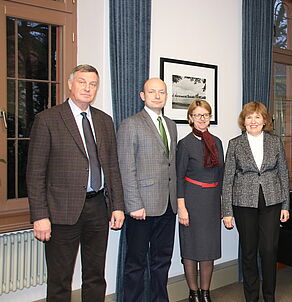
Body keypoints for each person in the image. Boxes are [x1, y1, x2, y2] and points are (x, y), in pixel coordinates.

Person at [26, 64, 125, 301]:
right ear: (70, 84)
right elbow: (35, 172)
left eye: (92, 84)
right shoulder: (48, 119)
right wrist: (40, 215)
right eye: (82, 82)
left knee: (95, 275)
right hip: (61, 210)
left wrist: (117, 205)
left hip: (97, 208)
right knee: (60, 279)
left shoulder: (104, 120)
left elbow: (112, 166)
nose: (87, 88)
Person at [117, 78, 178, 301]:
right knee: (136, 263)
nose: (157, 95)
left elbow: (170, 164)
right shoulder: (130, 124)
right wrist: (134, 205)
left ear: (166, 96)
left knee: (162, 261)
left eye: (161, 92)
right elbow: (126, 167)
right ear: (142, 96)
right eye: (151, 92)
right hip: (141, 208)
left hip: (168, 206)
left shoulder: (170, 125)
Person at [222, 102, 290, 302]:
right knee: (249, 250)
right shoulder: (235, 144)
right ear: (244, 121)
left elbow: (283, 174)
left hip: (272, 200)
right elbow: (228, 179)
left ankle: (269, 296)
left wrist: (286, 205)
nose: (253, 121)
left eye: (257, 117)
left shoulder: (275, 141)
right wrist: (227, 211)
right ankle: (251, 297)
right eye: (249, 117)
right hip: (243, 203)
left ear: (264, 121)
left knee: (269, 250)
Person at [176, 99, 224, 302]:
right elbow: (178, 177)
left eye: (205, 115)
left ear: (210, 118)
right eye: (198, 115)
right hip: (192, 201)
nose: (202, 119)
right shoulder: (185, 144)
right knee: (191, 249)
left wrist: (223, 204)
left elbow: (222, 175)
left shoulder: (218, 142)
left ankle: (205, 293)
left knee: (208, 249)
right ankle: (193, 293)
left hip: (212, 202)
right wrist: (181, 207)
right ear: (190, 119)